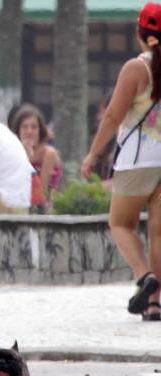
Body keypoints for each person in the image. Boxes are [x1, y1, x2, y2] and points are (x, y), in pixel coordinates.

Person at [80, 2, 161, 322]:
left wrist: (93, 154)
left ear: (141, 34)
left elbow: (114, 115)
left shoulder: (136, 68)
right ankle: (155, 304)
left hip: (136, 163)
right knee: (158, 232)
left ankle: (145, 277)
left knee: (120, 223)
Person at [11, 104, 63, 213]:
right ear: (18, 130)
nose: (29, 131)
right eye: (24, 127)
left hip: (43, 209)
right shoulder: (14, 152)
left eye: (34, 127)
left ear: (40, 130)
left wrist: (27, 160)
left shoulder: (49, 154)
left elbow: (41, 193)